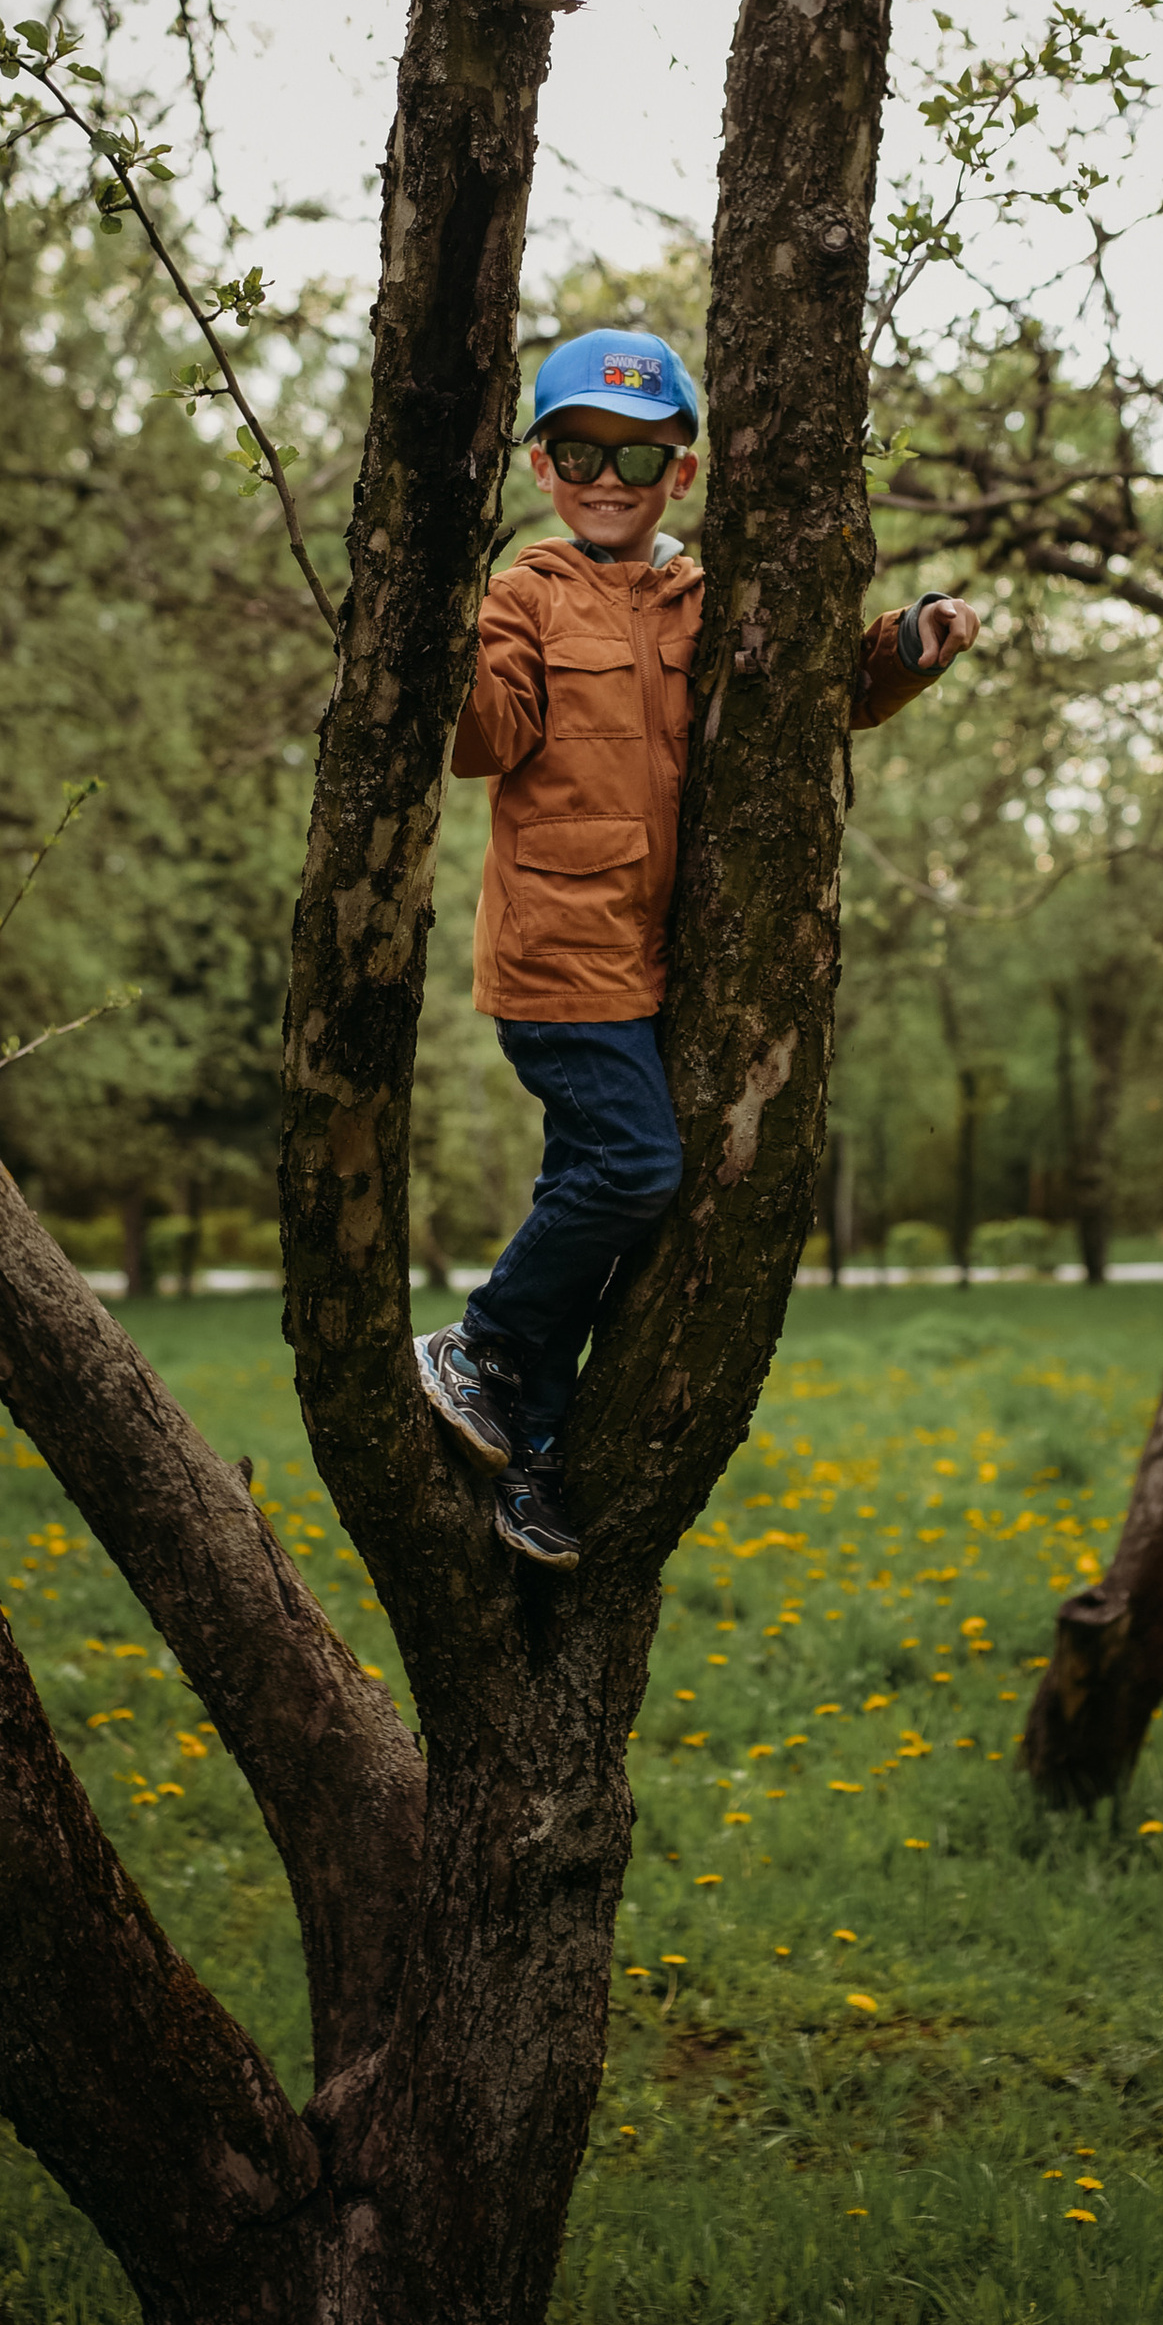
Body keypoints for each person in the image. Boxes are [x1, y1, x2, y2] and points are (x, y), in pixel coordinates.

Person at [414, 324, 979, 1565]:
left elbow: (803, 697)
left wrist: (898, 648)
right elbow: (482, 738)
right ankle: (482, 1343)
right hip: (562, 960)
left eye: (636, 459)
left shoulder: (708, 596)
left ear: (682, 472)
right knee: (629, 1174)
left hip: (666, 962)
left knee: (611, 1205)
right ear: (542, 466)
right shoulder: (524, 596)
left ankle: (533, 1459)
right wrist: (435, 631)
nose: (606, 482)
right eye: (580, 454)